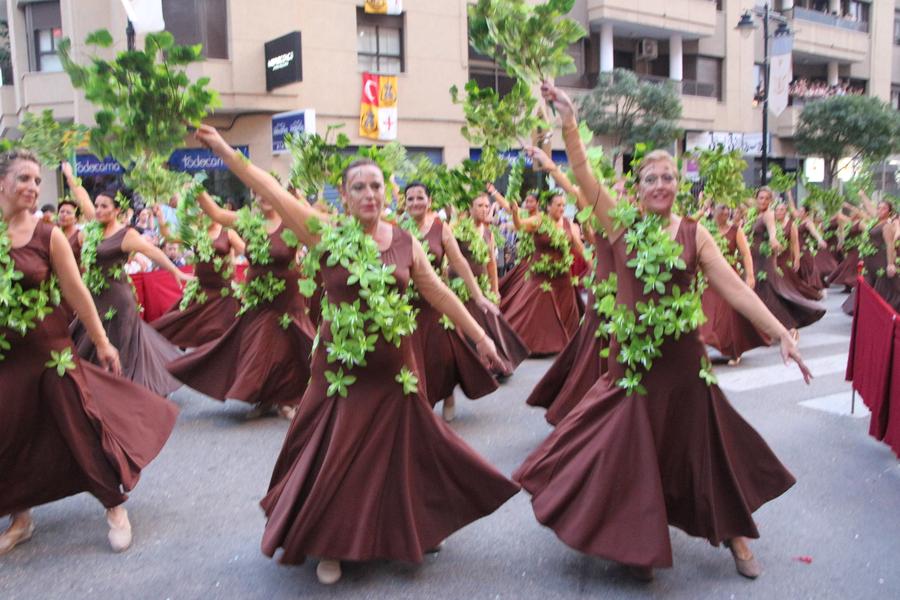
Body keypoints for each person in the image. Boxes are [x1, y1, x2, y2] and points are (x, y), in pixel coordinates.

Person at [194, 124, 519, 585]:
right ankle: (331, 542)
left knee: (403, 450)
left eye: (376, 186)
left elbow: (440, 294)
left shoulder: (406, 242)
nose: (369, 194)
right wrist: (226, 150)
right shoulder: (323, 235)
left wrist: (480, 338)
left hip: (396, 368)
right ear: (344, 197)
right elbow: (267, 187)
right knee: (338, 452)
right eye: (358, 187)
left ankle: (415, 524)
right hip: (342, 369)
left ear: (387, 193)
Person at [515, 82, 811, 582]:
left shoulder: (696, 234)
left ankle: (735, 535)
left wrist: (780, 329)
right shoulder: (620, 225)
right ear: (638, 185)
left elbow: (737, 290)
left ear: (679, 183)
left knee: (705, 450)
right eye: (650, 178)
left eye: (668, 177)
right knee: (631, 452)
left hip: (683, 365)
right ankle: (639, 544)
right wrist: (569, 121)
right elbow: (583, 176)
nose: (659, 185)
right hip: (632, 365)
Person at [0, 149, 178, 555]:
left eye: (35, 180)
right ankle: (20, 518)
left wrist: (100, 340)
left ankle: (114, 506)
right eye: (23, 179)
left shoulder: (49, 235)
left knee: (80, 427)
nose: (32, 186)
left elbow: (75, 290)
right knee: (8, 432)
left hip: (50, 351)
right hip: (7, 355)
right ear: (2, 184)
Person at [166, 190, 315, 420]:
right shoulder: (247, 223)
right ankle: (266, 397)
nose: (263, 196)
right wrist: (197, 191)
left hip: (287, 297)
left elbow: (316, 223)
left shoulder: (291, 221)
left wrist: (299, 199)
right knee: (262, 347)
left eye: (266, 191)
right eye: (258, 193)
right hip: (258, 297)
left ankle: (287, 399)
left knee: (290, 346)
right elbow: (215, 212)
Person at [71, 186, 191, 396]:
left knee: (120, 343)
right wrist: (71, 178)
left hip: (118, 299)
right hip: (93, 297)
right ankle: (91, 388)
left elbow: (152, 251)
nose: (98, 210)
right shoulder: (94, 228)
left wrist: (175, 271)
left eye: (104, 206)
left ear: (117, 210)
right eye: (97, 205)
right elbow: (82, 198)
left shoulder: (126, 235)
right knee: (87, 337)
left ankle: (122, 392)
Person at [523, 146, 612, 424]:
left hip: (629, 302)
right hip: (605, 299)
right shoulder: (598, 219)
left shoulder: (639, 224)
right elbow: (576, 189)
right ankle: (590, 413)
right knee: (594, 360)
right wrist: (550, 165)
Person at [402, 181, 500, 421]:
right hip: (407, 306)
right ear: (404, 204)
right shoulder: (397, 230)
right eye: (410, 199)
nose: (416, 202)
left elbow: (459, 263)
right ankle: (419, 407)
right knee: (411, 359)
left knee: (442, 356)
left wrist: (478, 295)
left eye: (420, 197)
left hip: (437, 304)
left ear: (430, 201)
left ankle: (448, 395)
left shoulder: (441, 228)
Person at [449, 193, 529, 375]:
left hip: (482, 287)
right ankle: (472, 366)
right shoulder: (456, 229)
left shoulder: (488, 233)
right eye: (480, 206)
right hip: (460, 287)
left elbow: (492, 262)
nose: (485, 209)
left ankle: (494, 362)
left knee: (489, 326)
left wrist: (495, 290)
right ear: (470, 209)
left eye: (487, 206)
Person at [496, 190, 583, 355]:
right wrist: (514, 213)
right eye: (558, 205)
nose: (562, 208)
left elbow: (579, 247)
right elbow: (520, 225)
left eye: (564, 205)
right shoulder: (539, 220)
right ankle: (515, 342)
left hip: (563, 277)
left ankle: (565, 344)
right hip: (541, 277)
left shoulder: (568, 224)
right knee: (527, 313)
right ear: (548, 207)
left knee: (566, 312)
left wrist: (594, 265)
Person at [150, 201, 245, 348]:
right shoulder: (196, 233)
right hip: (202, 291)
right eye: (202, 211)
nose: (205, 214)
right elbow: (169, 237)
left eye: (209, 211)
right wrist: (161, 219)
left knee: (223, 331)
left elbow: (247, 252)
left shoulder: (228, 233)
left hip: (225, 292)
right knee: (179, 325)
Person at [699, 204, 770, 365]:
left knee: (728, 315)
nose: (725, 212)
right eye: (721, 208)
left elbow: (745, 254)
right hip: (709, 277)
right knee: (708, 313)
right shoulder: (706, 229)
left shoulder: (736, 231)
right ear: (714, 210)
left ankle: (733, 351)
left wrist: (750, 275)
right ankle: (707, 348)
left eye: (727, 209)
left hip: (729, 276)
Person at [749, 188, 825, 331]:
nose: (763, 201)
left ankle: (788, 325)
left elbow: (772, 229)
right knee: (764, 293)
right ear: (756, 199)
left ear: (771, 201)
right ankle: (767, 326)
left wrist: (773, 238)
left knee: (770, 293)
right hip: (755, 260)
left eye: (766, 198)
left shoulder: (769, 215)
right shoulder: (755, 215)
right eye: (761, 198)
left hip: (765, 261)